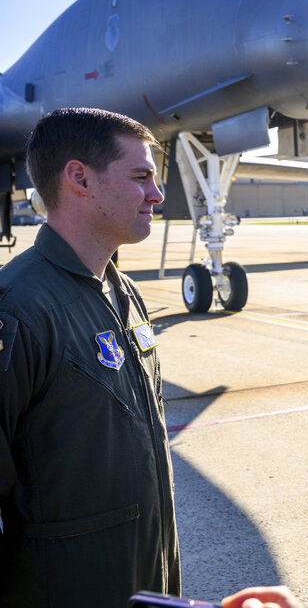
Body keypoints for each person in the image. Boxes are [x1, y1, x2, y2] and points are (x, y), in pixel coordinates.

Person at [0, 108, 177, 607]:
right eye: (141, 176)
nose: (157, 195)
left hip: (145, 587)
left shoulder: (124, 294)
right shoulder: (19, 309)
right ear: (79, 178)